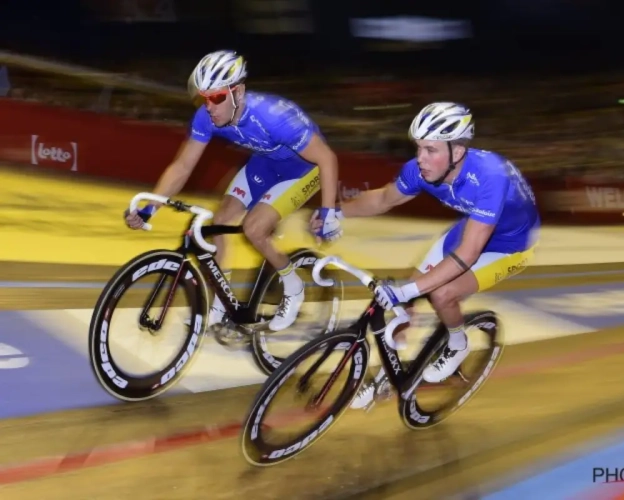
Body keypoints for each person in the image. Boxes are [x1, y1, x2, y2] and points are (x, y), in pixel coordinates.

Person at [311, 102, 540, 409]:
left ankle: (458, 343)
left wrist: (408, 290)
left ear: (457, 152)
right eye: (418, 148)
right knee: (409, 294)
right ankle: (388, 378)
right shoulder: (422, 169)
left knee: (442, 293)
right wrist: (336, 213)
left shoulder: (490, 177)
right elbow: (381, 199)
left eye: (430, 150)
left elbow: (468, 254)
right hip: (474, 227)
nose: (420, 159)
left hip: (510, 245)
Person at [125, 49, 343, 331]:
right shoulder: (206, 117)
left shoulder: (273, 117)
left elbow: (327, 158)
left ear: (238, 92)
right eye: (204, 98)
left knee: (254, 228)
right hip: (264, 164)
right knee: (219, 222)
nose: (209, 107)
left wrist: (329, 212)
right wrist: (149, 208)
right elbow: (182, 166)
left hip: (303, 170)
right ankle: (220, 301)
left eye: (216, 97)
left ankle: (293, 284)